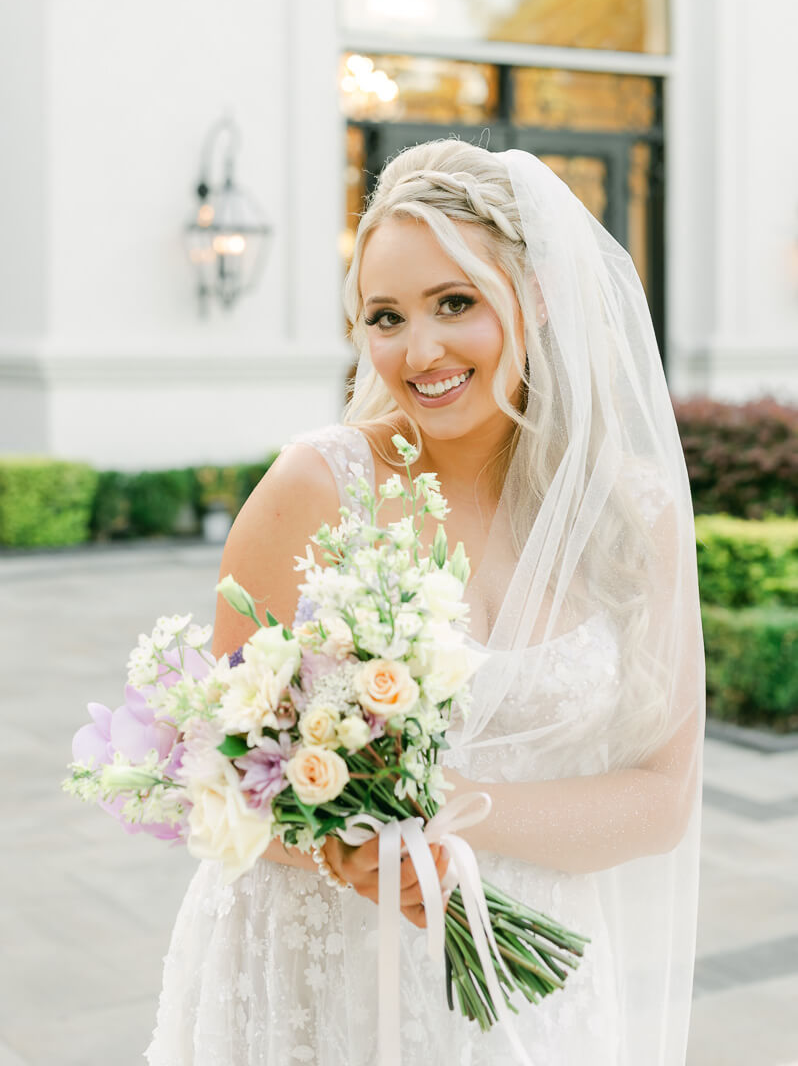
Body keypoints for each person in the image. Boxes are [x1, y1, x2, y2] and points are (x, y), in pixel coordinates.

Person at [146, 139, 704, 1065]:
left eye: (457, 303)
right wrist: (344, 846)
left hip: (533, 972)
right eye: (385, 316)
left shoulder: (633, 513)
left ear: (537, 301)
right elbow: (216, 772)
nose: (421, 349)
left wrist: (439, 813)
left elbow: (661, 797)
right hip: (317, 965)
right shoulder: (318, 486)